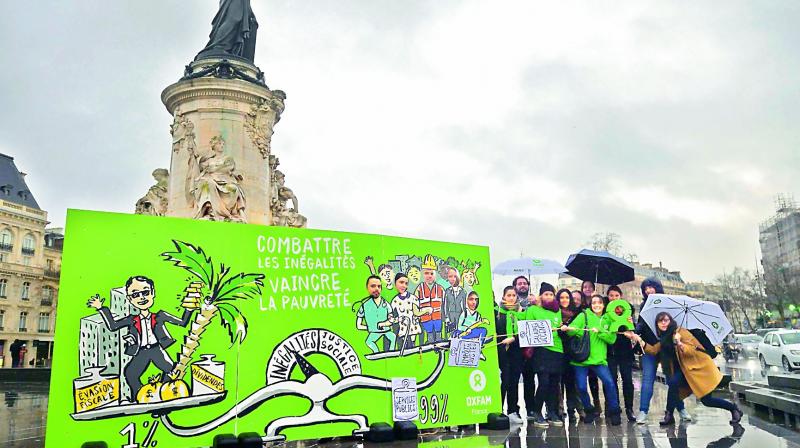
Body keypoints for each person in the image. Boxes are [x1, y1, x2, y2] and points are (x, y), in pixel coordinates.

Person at [87, 275, 193, 400]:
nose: (141, 297)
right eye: (135, 295)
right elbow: (113, 326)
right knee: (130, 374)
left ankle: (164, 395)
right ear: (129, 299)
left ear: (152, 293)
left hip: (156, 350)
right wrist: (101, 308)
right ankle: (139, 398)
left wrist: (189, 308)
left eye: (145, 292)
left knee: (172, 370)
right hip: (141, 352)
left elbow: (182, 322)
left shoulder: (160, 316)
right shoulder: (131, 320)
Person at [641, 312, 743, 426]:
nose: (663, 323)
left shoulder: (681, 332)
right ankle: (669, 415)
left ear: (671, 322)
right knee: (673, 385)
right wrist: (638, 339)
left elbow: (691, 350)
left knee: (706, 401)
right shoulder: (665, 338)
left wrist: (679, 343)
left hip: (698, 370)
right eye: (660, 321)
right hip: (685, 371)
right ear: (657, 324)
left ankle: (734, 409)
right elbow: (654, 350)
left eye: (666, 320)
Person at [630, 277, 690, 424]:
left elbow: (674, 322)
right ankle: (643, 411)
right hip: (649, 347)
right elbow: (641, 324)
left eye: (651, 287)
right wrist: (634, 331)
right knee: (647, 380)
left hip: (667, 348)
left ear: (658, 288)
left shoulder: (667, 303)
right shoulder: (644, 305)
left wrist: (676, 335)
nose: (648, 290)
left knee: (672, 381)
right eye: (645, 288)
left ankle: (681, 409)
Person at [509, 282, 567, 427]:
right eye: (546, 294)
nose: (548, 296)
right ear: (541, 296)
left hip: (558, 350)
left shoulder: (557, 311)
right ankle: (537, 411)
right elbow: (525, 325)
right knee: (544, 382)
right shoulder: (533, 309)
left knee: (554, 384)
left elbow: (561, 326)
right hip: (541, 351)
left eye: (551, 294)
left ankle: (552, 412)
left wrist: (561, 328)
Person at [567, 294, 623, 426]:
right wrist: (569, 329)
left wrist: (600, 331)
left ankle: (615, 411)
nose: (596, 305)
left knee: (609, 383)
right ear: (590, 305)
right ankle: (589, 409)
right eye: (594, 303)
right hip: (581, 359)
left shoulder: (609, 319)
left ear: (604, 305)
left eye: (599, 303)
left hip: (599, 360)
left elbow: (612, 339)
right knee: (581, 387)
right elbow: (572, 332)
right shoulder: (583, 316)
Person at [605, 285, 637, 422]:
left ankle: (629, 408)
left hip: (625, 350)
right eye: (611, 295)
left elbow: (634, 329)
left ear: (620, 296)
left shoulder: (627, 311)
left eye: (616, 295)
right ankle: (614, 407)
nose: (613, 298)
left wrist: (631, 323)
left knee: (627, 380)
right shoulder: (605, 312)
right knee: (612, 380)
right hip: (610, 350)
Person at [497, 286, 526, 425]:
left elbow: (526, 333)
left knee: (514, 382)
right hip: (502, 352)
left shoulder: (521, 312)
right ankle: (499, 410)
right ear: (503, 297)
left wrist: (514, 338)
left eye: (513, 295)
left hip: (516, 352)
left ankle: (513, 410)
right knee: (504, 381)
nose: (511, 297)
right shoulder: (497, 313)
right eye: (508, 295)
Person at [557, 288, 583, 422]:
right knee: (558, 383)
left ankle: (572, 410)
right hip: (558, 352)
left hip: (572, 352)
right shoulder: (554, 314)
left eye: (567, 297)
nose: (564, 300)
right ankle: (560, 410)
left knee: (572, 383)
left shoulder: (576, 314)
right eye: (561, 298)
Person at [356, 275, 397, 353]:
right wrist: (370, 327)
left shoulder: (386, 304)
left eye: (379, 286)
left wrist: (384, 324)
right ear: (367, 288)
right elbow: (358, 325)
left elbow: (391, 320)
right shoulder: (364, 306)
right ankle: (377, 353)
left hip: (386, 331)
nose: (376, 289)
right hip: (374, 332)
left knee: (393, 337)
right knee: (368, 342)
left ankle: (391, 353)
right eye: (373, 286)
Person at [390, 273, 431, 349]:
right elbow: (391, 316)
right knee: (404, 345)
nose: (403, 286)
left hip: (412, 325)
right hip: (402, 326)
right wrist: (397, 320)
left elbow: (417, 312)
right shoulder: (394, 301)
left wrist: (426, 310)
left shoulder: (413, 298)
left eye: (406, 283)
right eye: (401, 282)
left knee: (412, 344)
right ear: (395, 283)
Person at [580, 280, 602, 414]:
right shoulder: (580, 304)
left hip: (595, 344)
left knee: (593, 377)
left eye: (590, 287)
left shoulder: (598, 302)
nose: (587, 289)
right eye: (585, 287)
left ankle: (597, 401)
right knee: (581, 380)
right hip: (582, 344)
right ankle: (585, 404)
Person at [415, 256, 444, 344]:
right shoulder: (419, 288)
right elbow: (415, 304)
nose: (429, 276)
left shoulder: (440, 288)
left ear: (435, 275)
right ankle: (430, 341)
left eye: (431, 273)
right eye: (426, 273)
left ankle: (438, 341)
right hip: (425, 318)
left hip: (438, 317)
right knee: (429, 333)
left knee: (438, 333)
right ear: (423, 274)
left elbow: (445, 305)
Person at [443, 267, 467, 337]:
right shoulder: (447, 291)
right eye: (450, 277)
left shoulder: (463, 292)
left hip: (460, 315)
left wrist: (465, 317)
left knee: (460, 333)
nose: (453, 279)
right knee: (451, 335)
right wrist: (446, 318)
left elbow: (464, 306)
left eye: (455, 276)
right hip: (451, 316)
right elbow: (445, 306)